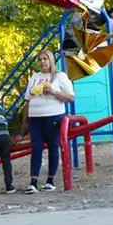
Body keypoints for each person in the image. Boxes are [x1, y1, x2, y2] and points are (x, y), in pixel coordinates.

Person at [23, 51, 75, 194]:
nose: (42, 62)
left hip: (53, 116)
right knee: (36, 147)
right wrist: (24, 121)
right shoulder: (34, 77)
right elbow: (27, 100)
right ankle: (33, 181)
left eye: (45, 59)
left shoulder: (60, 76)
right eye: (40, 59)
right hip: (35, 117)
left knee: (53, 146)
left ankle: (50, 180)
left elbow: (70, 98)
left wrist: (53, 91)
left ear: (51, 60)